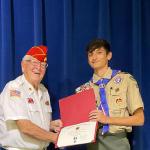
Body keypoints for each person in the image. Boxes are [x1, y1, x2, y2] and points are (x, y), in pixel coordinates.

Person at [75, 39, 144, 150]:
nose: (94, 57)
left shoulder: (126, 80)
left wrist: (107, 119)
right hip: (93, 143)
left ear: (109, 55)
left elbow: (139, 119)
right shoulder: (82, 90)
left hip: (118, 142)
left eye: (99, 52)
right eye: (90, 54)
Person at [0, 46, 62, 150]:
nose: (38, 67)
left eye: (43, 64)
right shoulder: (14, 88)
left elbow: (35, 120)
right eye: (34, 62)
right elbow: (25, 127)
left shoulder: (44, 91)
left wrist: (50, 125)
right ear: (23, 65)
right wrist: (56, 138)